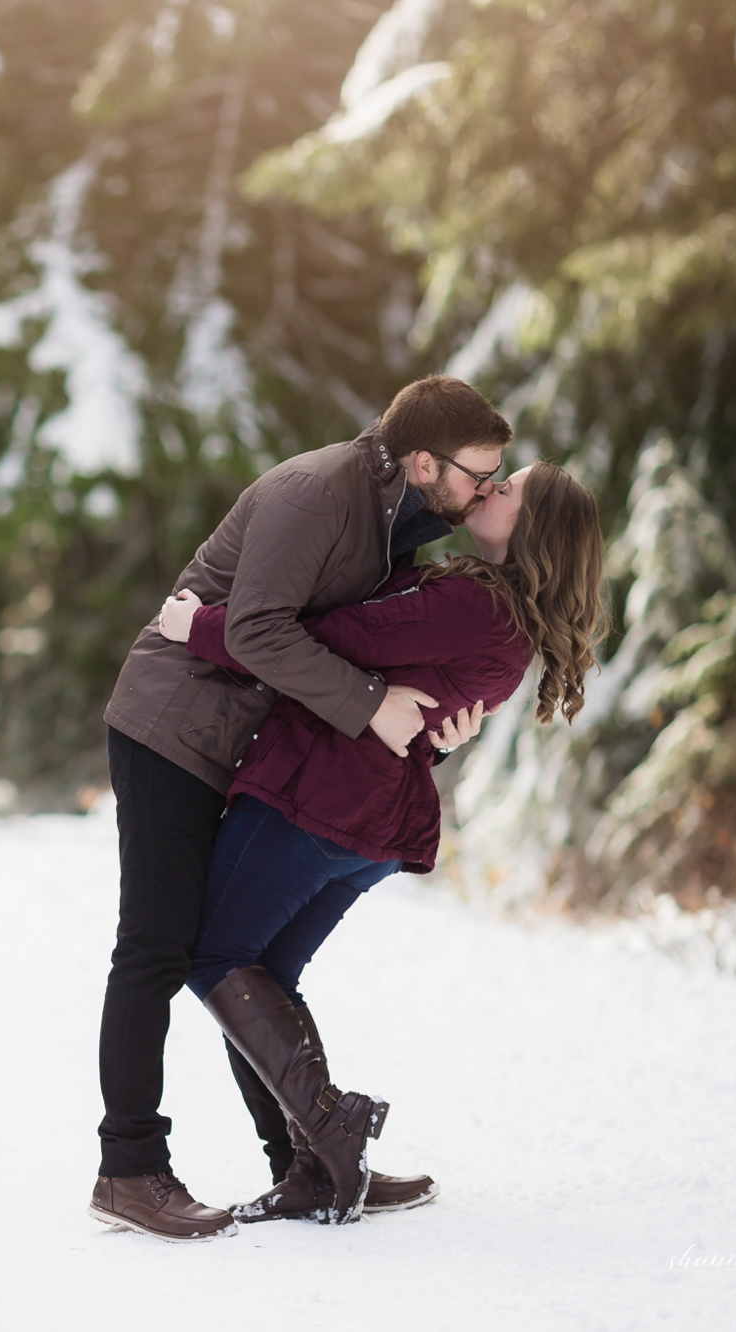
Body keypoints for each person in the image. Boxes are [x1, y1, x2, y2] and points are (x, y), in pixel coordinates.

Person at [89, 376, 514, 1243]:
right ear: (425, 460)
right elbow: (256, 631)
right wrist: (370, 706)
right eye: (481, 472)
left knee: (234, 950)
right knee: (159, 946)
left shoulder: (404, 517)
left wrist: (436, 725)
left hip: (242, 739)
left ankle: (310, 1162)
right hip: (174, 726)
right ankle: (128, 1168)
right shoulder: (317, 493)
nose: (487, 489)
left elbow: (378, 642)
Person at [160, 461, 608, 1225]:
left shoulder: (474, 604)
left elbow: (320, 640)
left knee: (211, 954)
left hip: (319, 796)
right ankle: (316, 1168)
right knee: (266, 971)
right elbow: (418, 701)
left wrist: (194, 627)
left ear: (534, 530)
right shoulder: (504, 621)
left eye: (509, 492)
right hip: (366, 822)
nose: (492, 490)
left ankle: (332, 1130)